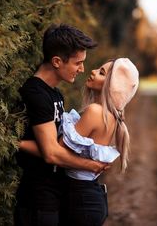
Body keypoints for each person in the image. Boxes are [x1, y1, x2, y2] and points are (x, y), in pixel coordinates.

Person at [20, 58, 139, 226]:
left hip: (81, 201)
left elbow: (55, 151)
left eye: (101, 73)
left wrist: (17, 143)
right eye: (99, 68)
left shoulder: (95, 112)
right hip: (87, 198)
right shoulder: (109, 115)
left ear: (111, 87)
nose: (92, 71)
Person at [14, 23, 108, 226]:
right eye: (77, 63)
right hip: (37, 198)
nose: (82, 69)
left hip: (55, 195)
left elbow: (57, 144)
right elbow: (51, 153)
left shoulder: (55, 94)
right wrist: (91, 165)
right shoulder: (36, 93)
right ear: (57, 61)